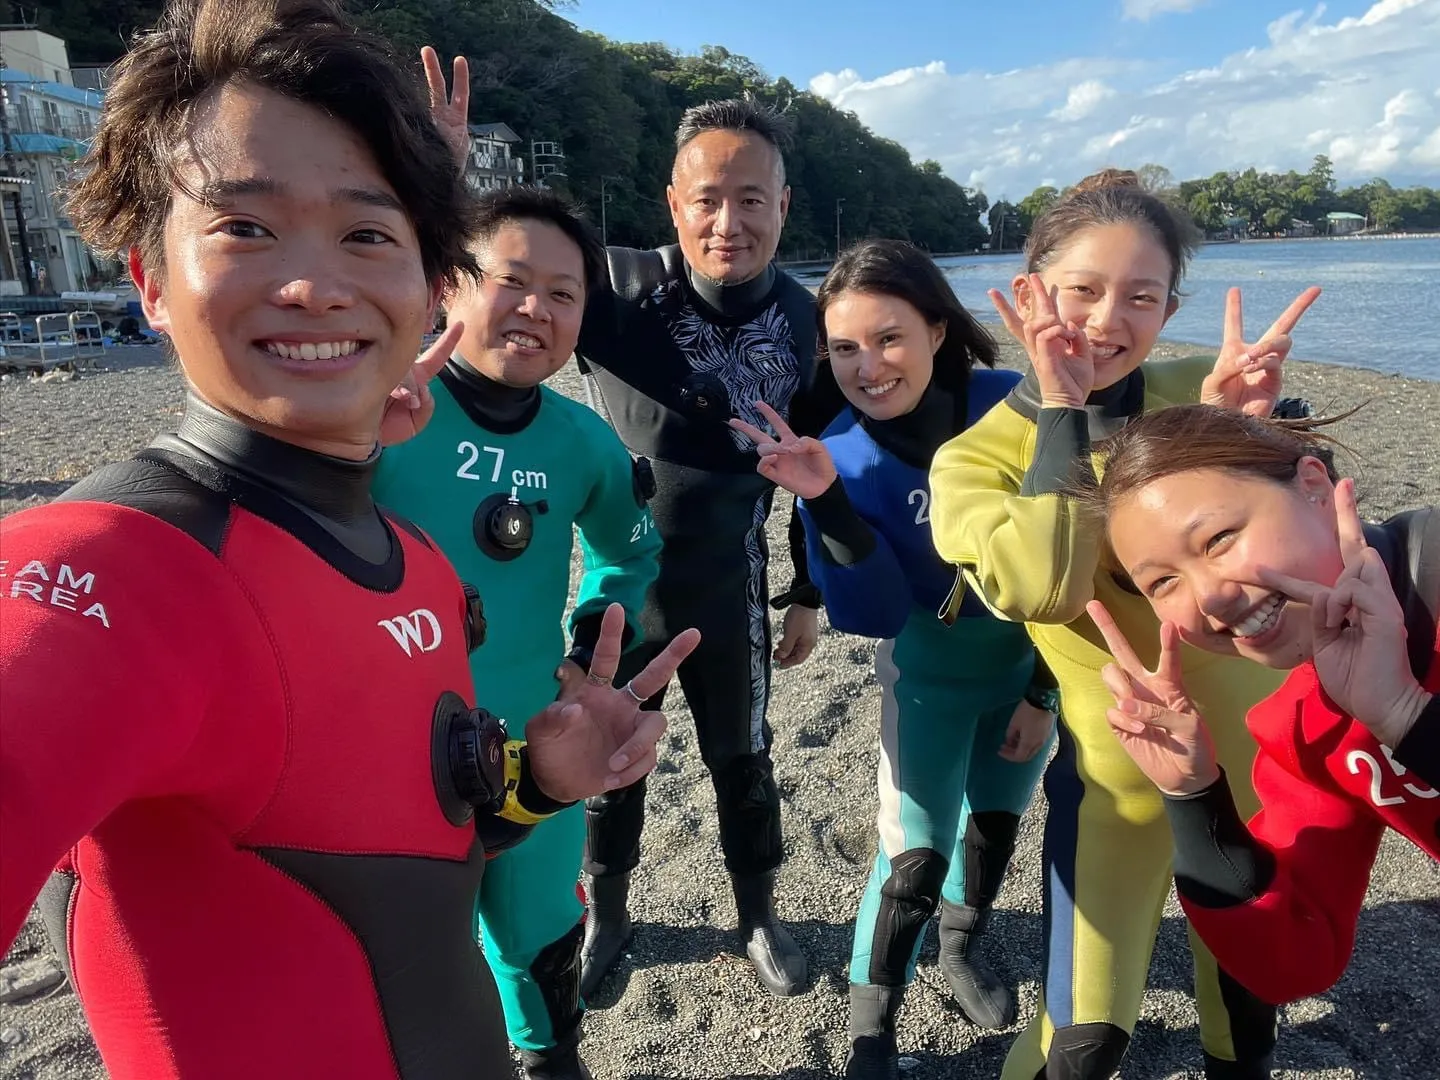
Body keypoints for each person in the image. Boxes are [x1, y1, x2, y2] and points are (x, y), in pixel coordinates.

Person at [0, 3, 697, 1078]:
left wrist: (539, 782)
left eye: (367, 235)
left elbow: (413, 836)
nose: (317, 285)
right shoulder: (103, 572)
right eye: (246, 227)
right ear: (149, 279)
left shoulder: (407, 557)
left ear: (422, 287)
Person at [424, 62, 847, 997]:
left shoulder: (811, 324)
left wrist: (806, 592)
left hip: (732, 583)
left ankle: (759, 915)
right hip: (621, 586)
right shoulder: (610, 288)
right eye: (707, 199)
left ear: (783, 204)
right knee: (602, 757)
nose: (728, 222)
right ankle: (610, 915)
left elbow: (823, 474)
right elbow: (488, 276)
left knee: (744, 757)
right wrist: (438, 180)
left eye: (752, 199)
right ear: (672, 203)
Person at [926, 168, 1322, 1079]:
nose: (1109, 322)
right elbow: (1044, 587)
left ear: (1170, 307)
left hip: (1262, 769)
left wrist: (1245, 438)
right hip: (1122, 788)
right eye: (1083, 290)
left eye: (1142, 297)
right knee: (1082, 1043)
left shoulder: (1202, 393)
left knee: (1247, 1012)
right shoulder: (972, 462)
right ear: (1029, 294)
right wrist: (1063, 414)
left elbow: (1300, 555)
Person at [730, 240, 1056, 1076]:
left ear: (937, 330)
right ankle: (871, 1032)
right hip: (927, 684)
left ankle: (958, 949)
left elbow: (1074, 568)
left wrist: (1045, 694)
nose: (868, 367)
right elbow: (870, 613)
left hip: (1026, 672)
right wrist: (829, 502)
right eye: (844, 348)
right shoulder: (837, 456)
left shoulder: (1014, 410)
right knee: (915, 855)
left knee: (994, 829)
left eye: (888, 338)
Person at [372, 185, 661, 1080]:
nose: (537, 308)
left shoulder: (583, 441)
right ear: (450, 286)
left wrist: (586, 647)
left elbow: (630, 551)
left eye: (563, 294)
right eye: (513, 280)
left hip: (535, 743)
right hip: (389, 750)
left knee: (542, 933)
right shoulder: (380, 414)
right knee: (413, 960)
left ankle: (550, 1057)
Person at [1077, 404, 1439, 1006]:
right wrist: (1193, 799)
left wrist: (1407, 716)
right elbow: (1292, 963)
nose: (1210, 598)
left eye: (1219, 539)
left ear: (1314, 486)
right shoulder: (1309, 728)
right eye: (1162, 583)